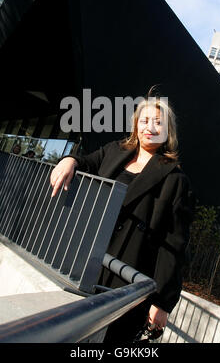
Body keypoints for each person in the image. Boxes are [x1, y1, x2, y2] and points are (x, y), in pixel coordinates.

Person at [50, 96, 194, 343]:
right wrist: (69, 160)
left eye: (158, 123)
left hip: (128, 274)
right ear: (136, 124)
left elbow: (174, 247)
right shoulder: (115, 150)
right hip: (87, 262)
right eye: (145, 120)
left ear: (168, 131)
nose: (150, 127)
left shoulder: (176, 179)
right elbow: (87, 162)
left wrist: (162, 302)